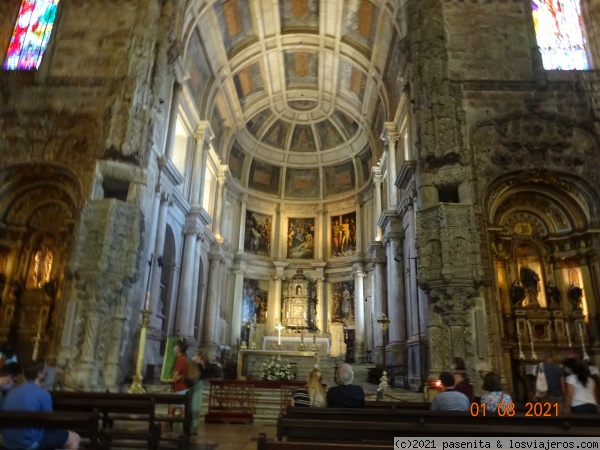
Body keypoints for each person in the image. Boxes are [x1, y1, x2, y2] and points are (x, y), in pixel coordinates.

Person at [1, 361, 80, 449]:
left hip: (8, 442)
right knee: (74, 437)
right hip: (29, 443)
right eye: (45, 371)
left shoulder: (11, 392)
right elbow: (49, 422)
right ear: (40, 374)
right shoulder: (43, 394)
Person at [167, 341, 190, 425]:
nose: (174, 348)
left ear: (179, 349)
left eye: (176, 346)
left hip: (180, 388)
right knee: (181, 409)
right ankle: (184, 428)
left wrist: (172, 379)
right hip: (183, 387)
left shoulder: (180, 360)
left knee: (172, 409)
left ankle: (166, 427)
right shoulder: (185, 359)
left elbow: (175, 377)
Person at [190, 349, 206, 433]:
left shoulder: (199, 365)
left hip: (197, 385)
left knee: (194, 406)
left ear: (199, 356)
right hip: (197, 385)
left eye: (195, 355)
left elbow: (195, 376)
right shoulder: (199, 364)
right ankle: (192, 428)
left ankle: (193, 428)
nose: (193, 357)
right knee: (193, 406)